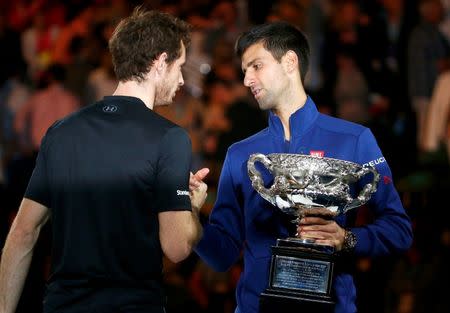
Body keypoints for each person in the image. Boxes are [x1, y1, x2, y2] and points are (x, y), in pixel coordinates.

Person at [190, 21, 413, 313]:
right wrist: (192, 218)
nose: (247, 80)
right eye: (245, 71)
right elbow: (221, 256)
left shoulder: (355, 139)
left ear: (290, 62)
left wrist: (346, 239)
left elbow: (399, 230)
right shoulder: (241, 154)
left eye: (256, 66)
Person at [0, 7, 208, 313]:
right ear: (161, 63)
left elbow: (22, 233)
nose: (180, 80)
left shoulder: (61, 132)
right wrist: (192, 207)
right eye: (180, 67)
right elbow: (176, 248)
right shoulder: (169, 138)